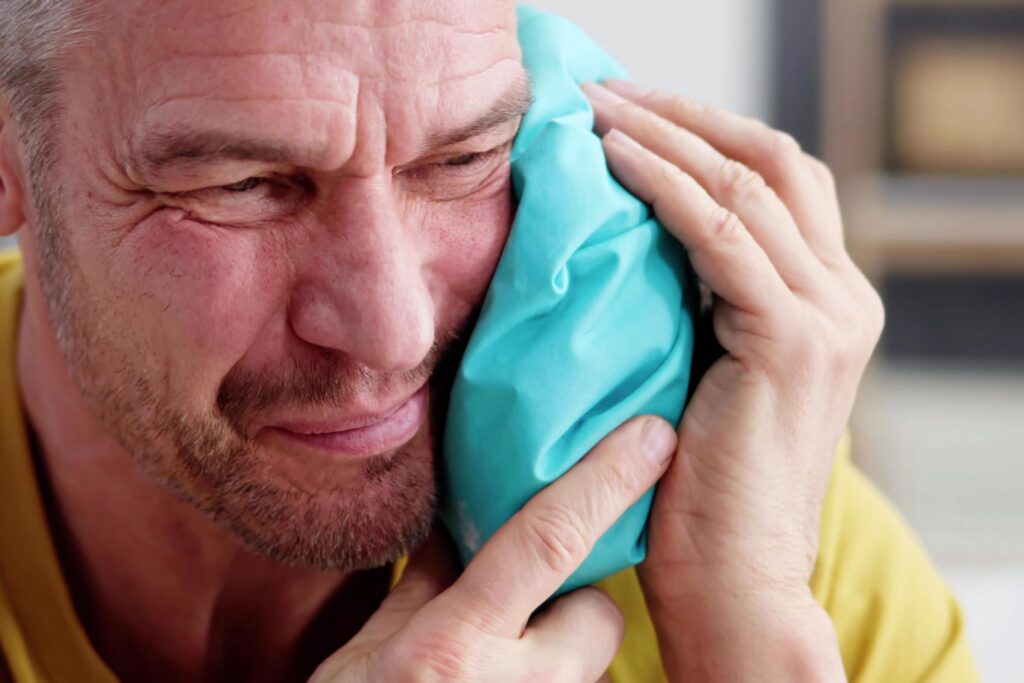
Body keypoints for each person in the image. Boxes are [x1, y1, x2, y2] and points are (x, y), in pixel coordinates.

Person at [0, 1, 977, 681]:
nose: (393, 331)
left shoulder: (741, 513)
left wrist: (748, 638)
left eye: (461, 159)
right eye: (242, 185)